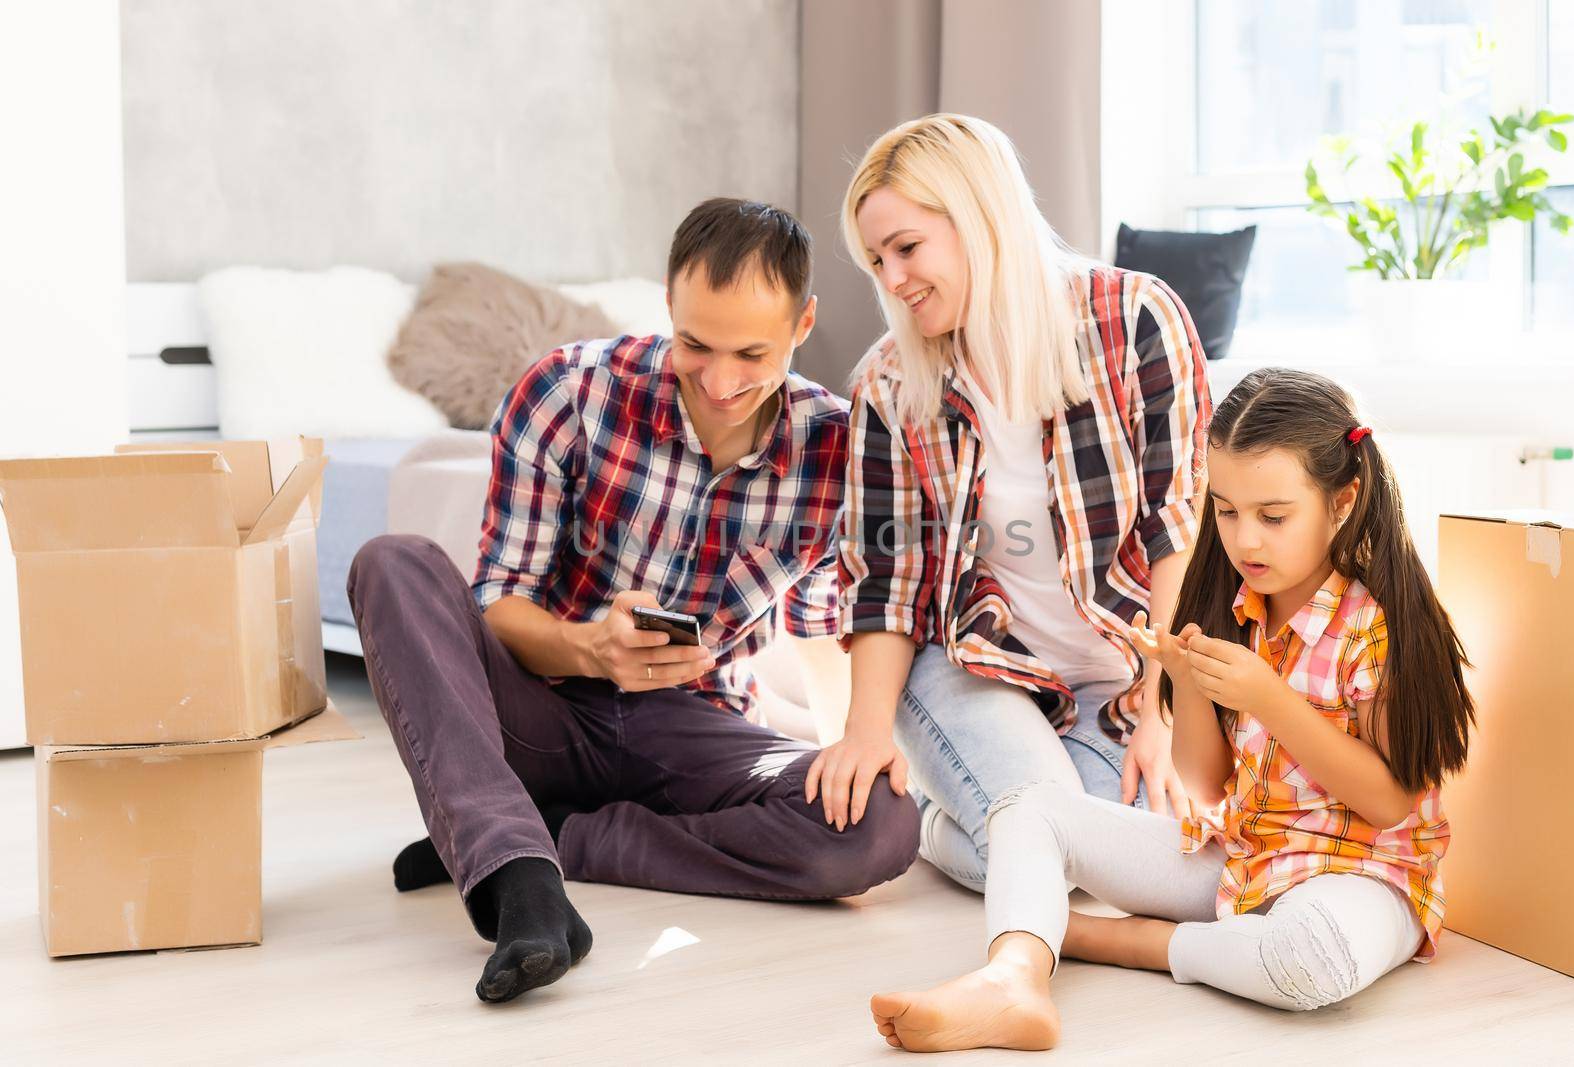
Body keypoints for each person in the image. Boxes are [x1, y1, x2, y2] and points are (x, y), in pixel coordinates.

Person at [347, 198, 920, 1004]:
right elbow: (502, 604)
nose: (722, 383)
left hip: (691, 729)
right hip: (539, 706)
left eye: (752, 354)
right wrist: (589, 647)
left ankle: (544, 836)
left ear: (803, 324)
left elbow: (829, 632)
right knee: (392, 562)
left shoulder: (837, 449)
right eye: (696, 345)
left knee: (883, 821)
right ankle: (520, 885)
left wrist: (849, 756)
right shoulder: (570, 390)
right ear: (668, 305)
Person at [871, 368, 1475, 1051]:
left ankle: (1126, 940)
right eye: (1225, 510)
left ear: (1343, 500)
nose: (1245, 540)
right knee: (1028, 806)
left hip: (1365, 876)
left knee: (1312, 957)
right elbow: (1209, 786)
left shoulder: (1379, 627)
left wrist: (1269, 699)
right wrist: (1188, 684)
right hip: (1251, 856)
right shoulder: (1238, 607)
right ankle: (1013, 978)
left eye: (1273, 516)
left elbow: (1392, 803)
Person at [806, 114, 1211, 891]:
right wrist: (864, 734)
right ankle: (932, 819)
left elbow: (1179, 536)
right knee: (1066, 862)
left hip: (1123, 677)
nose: (891, 280)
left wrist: (1167, 715)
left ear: (979, 217)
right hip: (973, 666)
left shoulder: (1133, 321)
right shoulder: (890, 383)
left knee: (1112, 859)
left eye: (906, 249)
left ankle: (953, 813)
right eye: (876, 261)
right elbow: (887, 580)